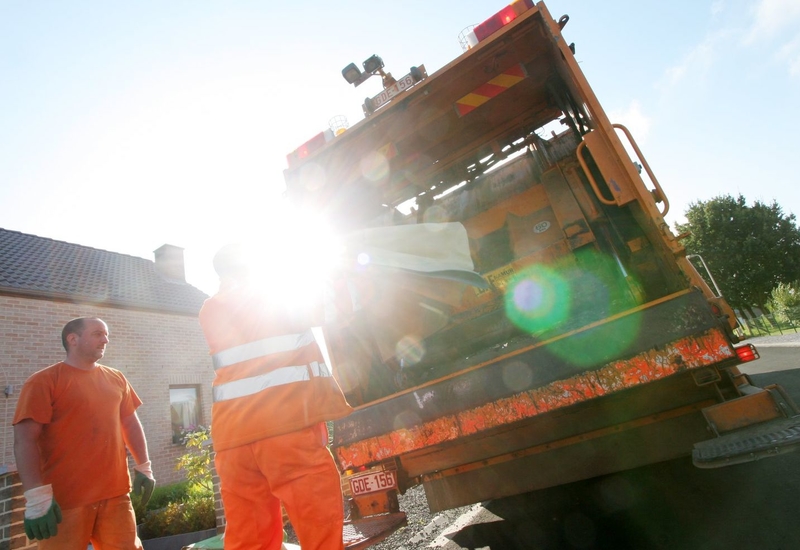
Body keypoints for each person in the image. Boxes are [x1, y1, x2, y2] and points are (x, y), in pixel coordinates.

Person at [198, 243, 353, 550]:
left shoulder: (210, 308)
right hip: (285, 430)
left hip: (233, 440)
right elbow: (341, 305)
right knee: (317, 521)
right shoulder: (271, 296)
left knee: (248, 536)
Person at [13, 317, 156, 549]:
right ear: (73, 339)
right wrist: (36, 498)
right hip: (64, 502)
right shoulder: (43, 382)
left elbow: (130, 423)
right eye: (98, 333)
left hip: (115, 495)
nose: (106, 339)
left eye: (106, 334)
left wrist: (144, 466)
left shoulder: (116, 378)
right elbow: (24, 440)